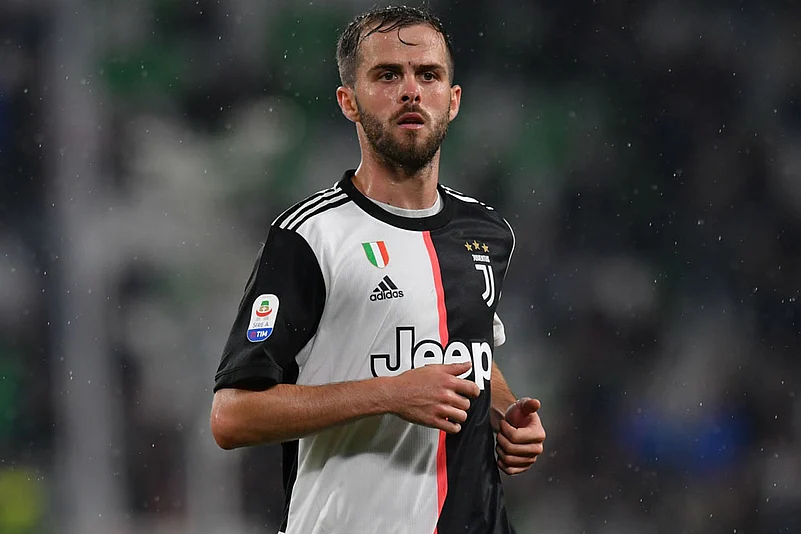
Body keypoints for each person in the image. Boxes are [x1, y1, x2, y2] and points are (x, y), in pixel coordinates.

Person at [211, 5, 546, 533]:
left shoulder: (487, 231)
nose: (411, 91)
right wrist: (389, 393)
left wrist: (507, 417)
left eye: (428, 75)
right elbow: (232, 416)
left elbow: (467, 346)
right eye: (388, 75)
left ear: (453, 100)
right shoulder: (309, 237)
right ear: (349, 101)